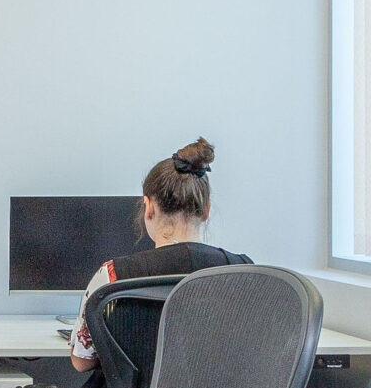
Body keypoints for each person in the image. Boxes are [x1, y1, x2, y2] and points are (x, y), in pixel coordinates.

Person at [68, 137, 247, 373]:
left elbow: (82, 361)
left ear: (149, 207)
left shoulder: (113, 275)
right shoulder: (243, 271)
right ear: (206, 211)